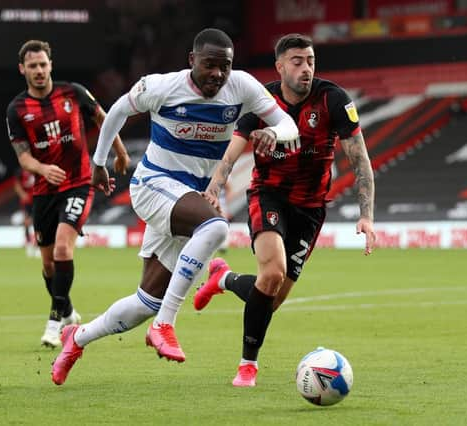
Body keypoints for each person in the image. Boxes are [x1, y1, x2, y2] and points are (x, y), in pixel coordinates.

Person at [51, 28, 298, 385]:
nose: (217, 74)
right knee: (215, 226)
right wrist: (99, 161)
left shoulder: (242, 86)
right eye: (210, 65)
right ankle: (165, 324)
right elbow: (118, 110)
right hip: (153, 185)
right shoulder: (162, 86)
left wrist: (274, 133)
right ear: (192, 61)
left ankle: (78, 337)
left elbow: (288, 124)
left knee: (144, 302)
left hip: (187, 197)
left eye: (224, 67)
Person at [195, 33, 376, 387]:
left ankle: (224, 278)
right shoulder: (260, 102)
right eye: (297, 61)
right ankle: (248, 365)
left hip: (311, 209)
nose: (306, 68)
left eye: (310, 61)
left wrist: (366, 214)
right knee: (273, 273)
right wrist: (215, 186)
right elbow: (231, 154)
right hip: (269, 196)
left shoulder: (333, 99)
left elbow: (361, 161)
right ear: (280, 67)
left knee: (271, 297)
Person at [6, 40, 130, 348]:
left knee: (63, 249)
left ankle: (53, 322)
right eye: (32, 66)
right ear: (23, 69)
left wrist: (120, 153)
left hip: (77, 182)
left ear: (51, 65)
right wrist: (41, 168)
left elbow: (104, 118)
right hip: (44, 190)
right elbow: (22, 156)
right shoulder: (17, 110)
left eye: (43, 64)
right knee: (48, 265)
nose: (38, 70)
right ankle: (68, 309)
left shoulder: (72, 92)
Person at [13, 167, 38, 257]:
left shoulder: (37, 169)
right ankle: (28, 244)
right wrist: (22, 194)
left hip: (37, 199)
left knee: (38, 222)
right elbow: (17, 185)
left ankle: (38, 245)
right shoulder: (20, 171)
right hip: (27, 200)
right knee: (27, 222)